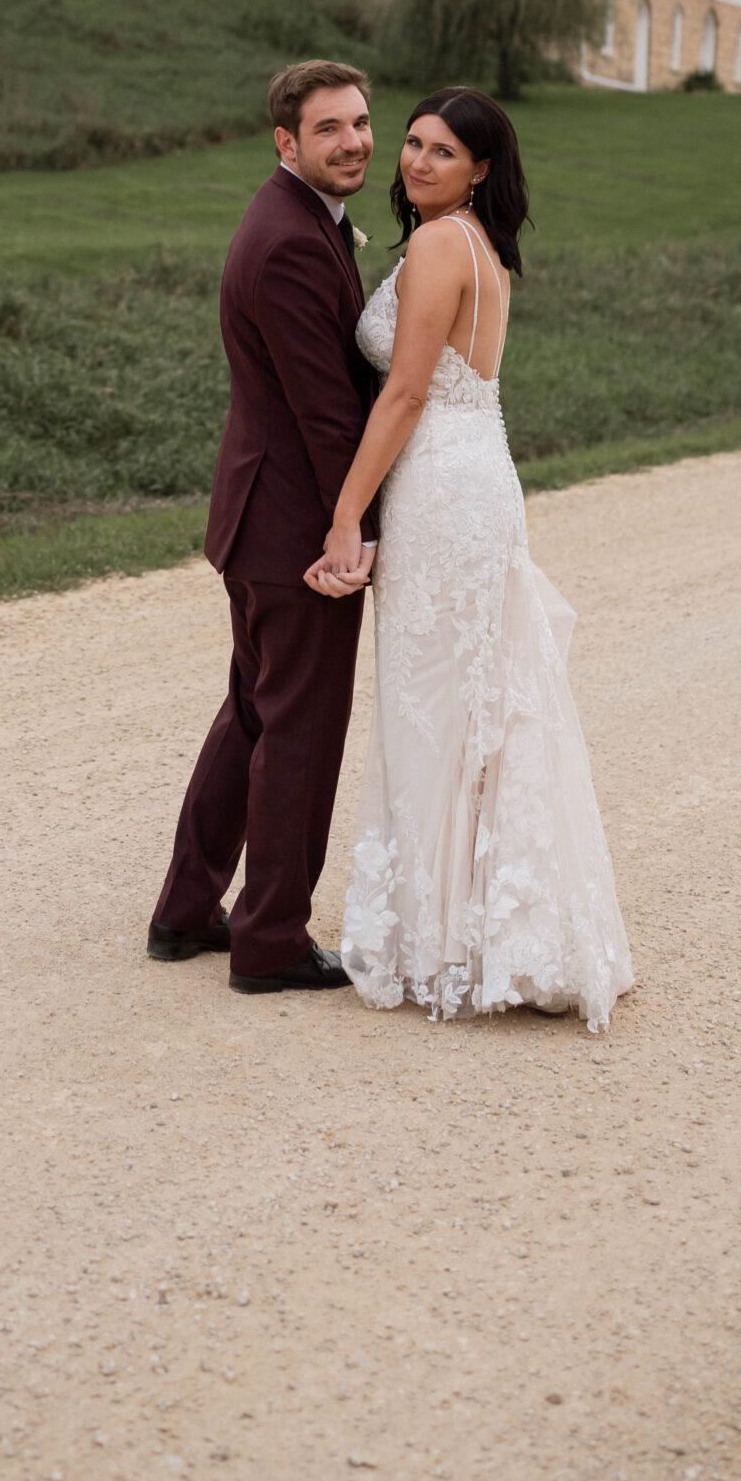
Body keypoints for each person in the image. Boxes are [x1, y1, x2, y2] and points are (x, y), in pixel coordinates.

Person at [307, 87, 633, 1030]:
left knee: (439, 703)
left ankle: (449, 939)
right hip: (477, 474)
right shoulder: (474, 247)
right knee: (473, 699)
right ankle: (494, 929)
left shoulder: (445, 244)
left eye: (442, 151)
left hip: (441, 488)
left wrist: (344, 516)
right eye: (410, 143)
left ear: (481, 169)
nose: (414, 161)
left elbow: (405, 393)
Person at [148, 60, 381, 993]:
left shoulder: (299, 218)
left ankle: (183, 911)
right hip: (296, 531)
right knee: (300, 728)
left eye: (362, 122)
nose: (355, 141)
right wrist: (350, 529)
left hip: (260, 517)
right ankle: (272, 936)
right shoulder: (288, 240)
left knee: (254, 712)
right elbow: (326, 413)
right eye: (330, 130)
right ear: (286, 143)